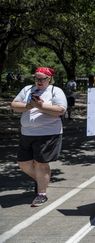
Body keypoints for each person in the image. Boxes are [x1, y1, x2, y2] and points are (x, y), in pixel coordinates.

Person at [10, 67, 67, 207]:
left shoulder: (55, 91)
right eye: (36, 78)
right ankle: (43, 180)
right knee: (23, 163)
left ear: (50, 79)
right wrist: (29, 105)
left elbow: (61, 110)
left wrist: (41, 106)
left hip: (48, 133)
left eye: (42, 79)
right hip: (27, 133)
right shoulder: (27, 89)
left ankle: (41, 194)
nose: (39, 81)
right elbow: (14, 105)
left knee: (41, 163)